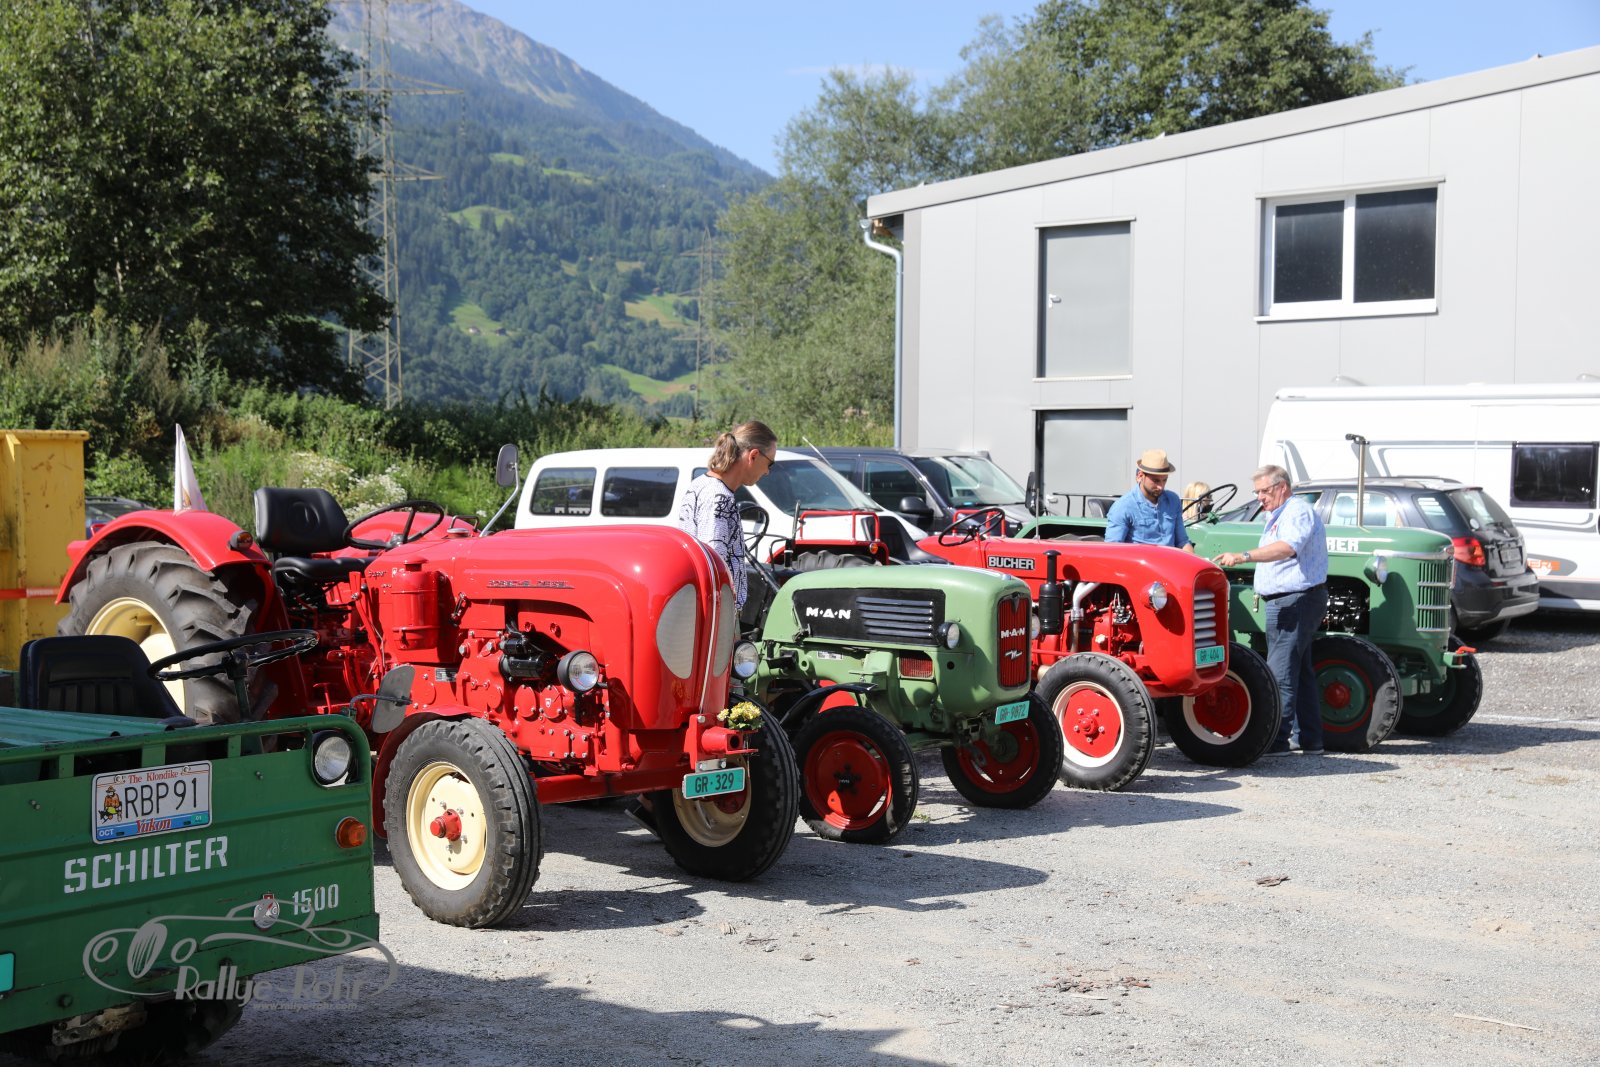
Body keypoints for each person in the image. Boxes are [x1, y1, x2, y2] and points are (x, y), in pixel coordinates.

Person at [1213, 465, 1330, 755]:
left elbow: (1287, 548)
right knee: (1298, 670)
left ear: (1282, 487)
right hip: (1291, 600)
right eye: (1257, 492)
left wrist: (1243, 556)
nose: (1260, 497)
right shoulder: (1280, 514)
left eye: (1264, 491)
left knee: (1280, 673)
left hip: (1294, 600)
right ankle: (1310, 738)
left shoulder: (1296, 512)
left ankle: (1276, 740)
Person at [675, 420, 779, 608]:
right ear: (753, 456)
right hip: (718, 611)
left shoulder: (702, 484)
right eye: (769, 464)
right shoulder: (719, 497)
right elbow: (714, 563)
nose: (767, 472)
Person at [1104, 448, 1195, 552]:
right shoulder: (1123, 507)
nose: (1161, 486)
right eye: (1156, 481)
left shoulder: (1173, 500)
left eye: (1164, 480)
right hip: (1139, 562)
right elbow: (1112, 550)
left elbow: (1183, 542)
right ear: (1140, 476)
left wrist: (1194, 560)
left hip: (1171, 561)